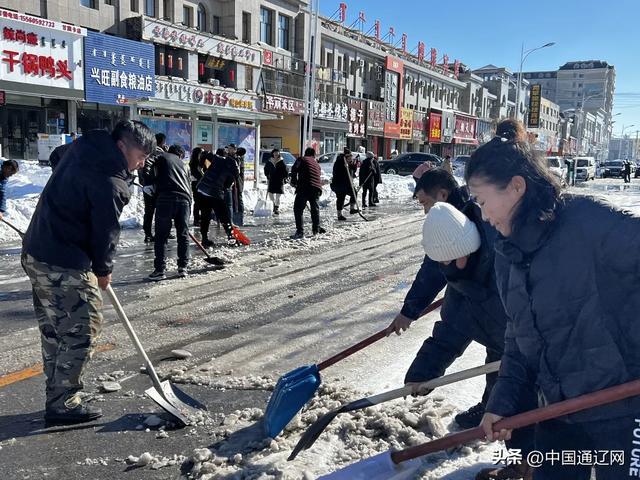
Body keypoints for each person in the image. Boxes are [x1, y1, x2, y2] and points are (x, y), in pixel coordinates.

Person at [466, 120, 640, 479]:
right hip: (559, 413)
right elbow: (519, 337)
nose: (482, 215)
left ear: (516, 187)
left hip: (624, 410)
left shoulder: (589, 223)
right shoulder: (508, 253)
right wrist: (504, 404)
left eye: (483, 201)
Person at [21, 120, 155, 425]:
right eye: (140, 155)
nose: (142, 162)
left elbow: (57, 157)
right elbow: (105, 232)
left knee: (56, 330)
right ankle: (64, 402)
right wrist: (103, 269)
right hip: (64, 260)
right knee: (83, 325)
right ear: (122, 146)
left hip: (37, 251)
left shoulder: (82, 147)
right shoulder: (111, 182)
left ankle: (58, 395)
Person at [404, 197, 535, 480]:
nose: (456, 264)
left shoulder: (508, 266)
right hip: (504, 346)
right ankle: (525, 464)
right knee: (507, 405)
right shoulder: (461, 277)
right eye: (447, 262)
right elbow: (451, 329)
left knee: (529, 407)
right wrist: (422, 373)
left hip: (538, 351)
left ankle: (533, 468)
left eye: (459, 257)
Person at [149, 144, 192, 281]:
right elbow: (189, 185)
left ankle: (160, 270)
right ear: (180, 155)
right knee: (183, 235)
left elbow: (148, 164)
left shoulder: (163, 157)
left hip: (166, 199)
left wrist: (148, 183)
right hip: (185, 200)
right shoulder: (185, 165)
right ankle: (183, 268)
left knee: (161, 236)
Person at [197, 148, 240, 247]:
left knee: (205, 216)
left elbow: (205, 154)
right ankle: (232, 239)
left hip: (202, 189)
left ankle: (204, 239)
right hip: (214, 193)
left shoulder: (217, 159)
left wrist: (201, 167)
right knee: (224, 217)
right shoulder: (233, 170)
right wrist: (223, 188)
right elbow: (227, 185)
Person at [290, 147, 325, 239]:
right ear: (313, 155)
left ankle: (300, 232)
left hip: (305, 187)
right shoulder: (316, 163)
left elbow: (294, 169)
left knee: (298, 209)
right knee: (314, 209)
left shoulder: (302, 159)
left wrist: (294, 181)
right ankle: (316, 229)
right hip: (317, 188)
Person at [139, 133, 168, 243]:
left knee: (149, 211)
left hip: (147, 186)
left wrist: (144, 182)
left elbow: (142, 167)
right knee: (160, 211)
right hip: (156, 186)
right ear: (162, 142)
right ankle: (159, 234)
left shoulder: (147, 150)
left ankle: (147, 234)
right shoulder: (159, 152)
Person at [330, 148, 359, 220]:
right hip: (339, 184)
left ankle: (352, 208)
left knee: (354, 193)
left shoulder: (348, 162)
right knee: (340, 198)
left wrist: (353, 164)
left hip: (347, 184)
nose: (350, 158)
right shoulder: (340, 161)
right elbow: (337, 173)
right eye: (349, 157)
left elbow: (352, 170)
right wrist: (345, 166)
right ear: (346, 156)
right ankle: (339, 215)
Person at [264, 148, 289, 215]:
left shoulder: (281, 161)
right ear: (273, 153)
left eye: (277, 153)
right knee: (270, 193)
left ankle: (276, 207)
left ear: (278, 154)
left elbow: (286, 170)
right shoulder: (269, 161)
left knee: (278, 194)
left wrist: (284, 177)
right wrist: (267, 175)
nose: (276, 154)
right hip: (271, 179)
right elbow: (266, 169)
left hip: (279, 180)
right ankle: (273, 204)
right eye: (275, 153)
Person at [189, 147, 204, 226]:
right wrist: (203, 177)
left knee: (200, 202)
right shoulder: (194, 163)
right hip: (196, 184)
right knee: (197, 202)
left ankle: (199, 218)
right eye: (201, 153)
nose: (202, 155)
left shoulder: (200, 162)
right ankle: (196, 219)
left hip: (199, 183)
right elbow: (197, 174)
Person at [233, 147, 246, 226]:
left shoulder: (239, 160)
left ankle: (239, 216)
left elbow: (238, 172)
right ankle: (239, 215)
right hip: (239, 182)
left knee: (238, 199)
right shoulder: (240, 159)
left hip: (238, 182)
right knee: (238, 198)